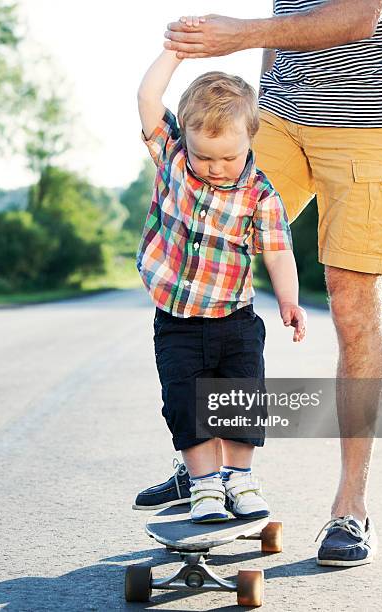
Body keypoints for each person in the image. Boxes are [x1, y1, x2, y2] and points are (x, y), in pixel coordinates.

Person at [135, 0, 382, 565]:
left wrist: (237, 35)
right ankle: (206, 465)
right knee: (213, 255)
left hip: (374, 117)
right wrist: (255, 96)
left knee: (351, 297)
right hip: (281, 117)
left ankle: (351, 507)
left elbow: (359, 16)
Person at [135, 34, 307, 524]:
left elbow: (276, 249)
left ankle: (240, 479)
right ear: (184, 141)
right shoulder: (172, 158)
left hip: (235, 318)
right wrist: (175, 53)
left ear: (251, 139)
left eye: (227, 158)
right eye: (203, 156)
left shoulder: (261, 194)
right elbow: (148, 99)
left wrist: (289, 299)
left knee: (240, 400)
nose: (214, 168)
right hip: (177, 321)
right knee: (186, 404)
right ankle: (205, 486)